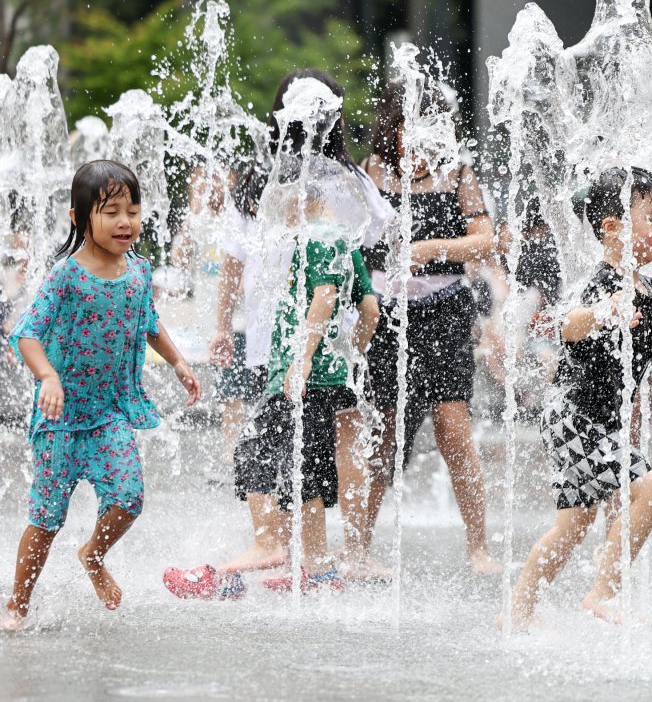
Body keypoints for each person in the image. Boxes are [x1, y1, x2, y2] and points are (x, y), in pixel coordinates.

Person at [163, 70, 382, 599]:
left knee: (277, 450)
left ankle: (281, 551)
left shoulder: (282, 184)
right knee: (311, 450)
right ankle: (324, 557)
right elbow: (371, 264)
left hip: (293, 344)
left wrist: (303, 349)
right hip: (316, 344)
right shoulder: (351, 187)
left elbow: (248, 258)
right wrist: (357, 343)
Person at [504, 167, 652, 631]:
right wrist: (606, 313)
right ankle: (602, 593)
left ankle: (517, 613)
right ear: (612, 228)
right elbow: (568, 325)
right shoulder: (602, 282)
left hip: (591, 421)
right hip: (572, 415)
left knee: (572, 525)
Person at [2, 160, 201, 630]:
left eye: (133, 210)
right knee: (46, 519)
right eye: (111, 211)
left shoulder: (137, 271)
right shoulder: (66, 276)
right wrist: (48, 377)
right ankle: (18, 603)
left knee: (129, 498)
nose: (126, 222)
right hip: (61, 420)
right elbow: (26, 335)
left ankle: (93, 553)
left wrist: (177, 362)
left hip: (110, 415)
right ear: (79, 217)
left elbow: (149, 322)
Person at [360, 80, 499, 575]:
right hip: (383, 315)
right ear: (391, 130)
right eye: (406, 130)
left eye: (428, 131)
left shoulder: (457, 173)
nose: (416, 143)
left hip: (444, 309)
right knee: (382, 433)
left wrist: (432, 250)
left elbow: (486, 242)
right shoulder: (370, 173)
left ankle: (479, 546)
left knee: (453, 428)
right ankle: (358, 547)